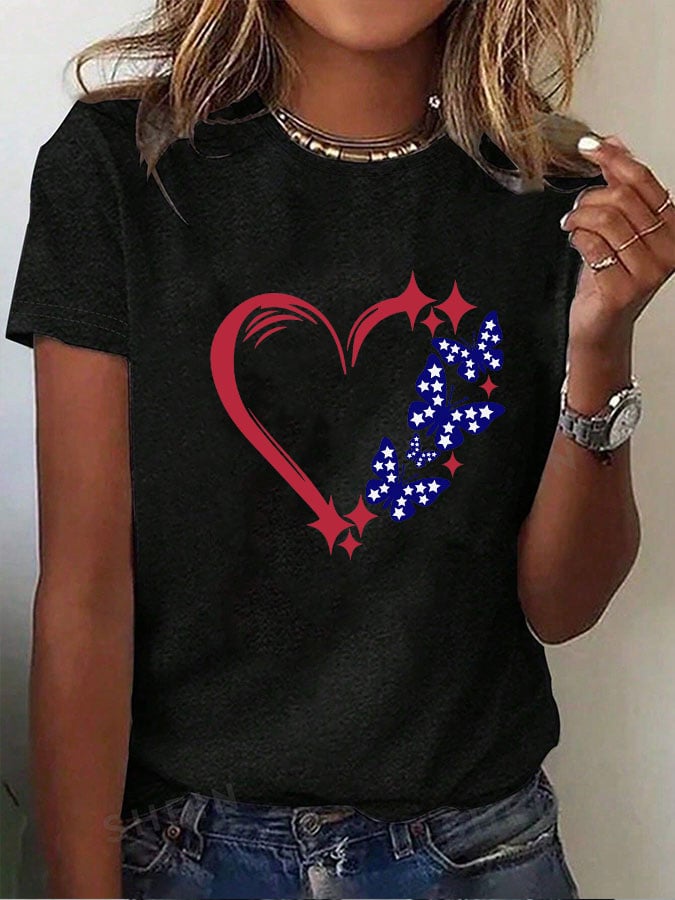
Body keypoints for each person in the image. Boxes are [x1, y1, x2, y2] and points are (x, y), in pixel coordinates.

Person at [5, 0, 674, 897]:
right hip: (184, 851)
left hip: (476, 851)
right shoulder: (122, 166)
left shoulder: (555, 196)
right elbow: (85, 595)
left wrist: (601, 341)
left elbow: (561, 606)